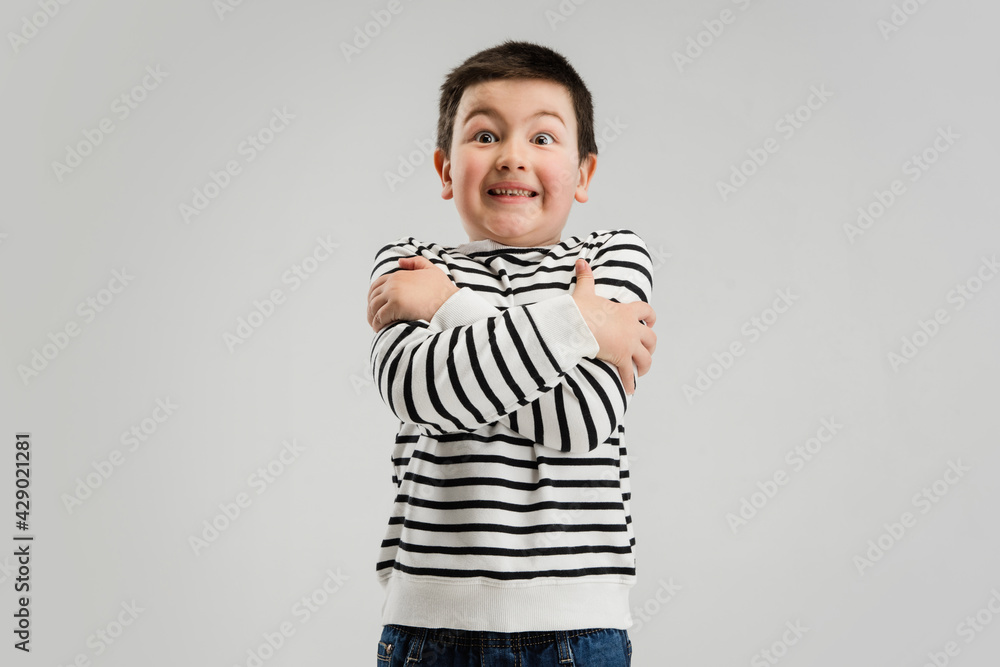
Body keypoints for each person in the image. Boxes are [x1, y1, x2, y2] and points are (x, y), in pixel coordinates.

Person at [365, 39, 656, 666]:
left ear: (584, 174)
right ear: (445, 169)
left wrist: (448, 309)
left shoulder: (612, 259)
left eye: (544, 139)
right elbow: (421, 390)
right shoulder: (410, 265)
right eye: (485, 136)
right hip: (428, 627)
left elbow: (578, 422)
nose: (513, 158)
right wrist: (576, 323)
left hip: (578, 630)